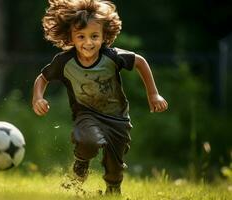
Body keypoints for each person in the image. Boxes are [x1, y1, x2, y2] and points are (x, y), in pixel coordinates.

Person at [32, 0, 168, 195]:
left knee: (115, 164)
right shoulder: (64, 62)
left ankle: (113, 190)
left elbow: (140, 61)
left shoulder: (112, 57)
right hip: (86, 114)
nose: (88, 42)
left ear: (105, 35)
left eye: (94, 36)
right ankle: (81, 161)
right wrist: (38, 98)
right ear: (71, 37)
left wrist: (153, 94)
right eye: (81, 36)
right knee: (89, 141)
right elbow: (42, 78)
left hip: (118, 118)